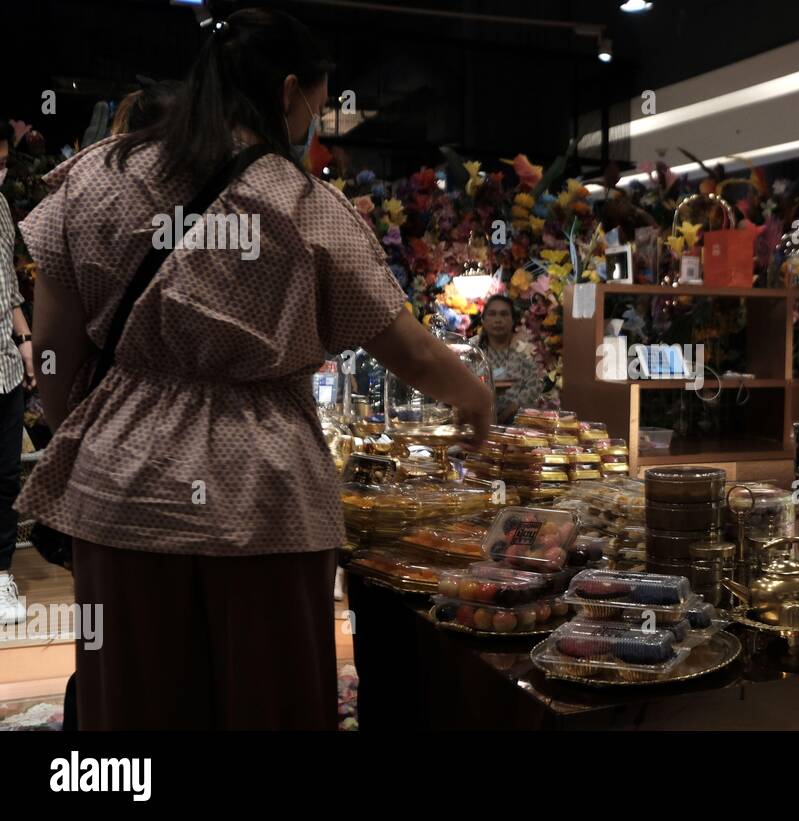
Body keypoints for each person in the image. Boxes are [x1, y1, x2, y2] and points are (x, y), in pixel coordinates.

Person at [18, 7, 492, 730]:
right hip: (269, 496)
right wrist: (473, 398)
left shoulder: (98, 178)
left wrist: (99, 431)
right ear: (289, 92)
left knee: (134, 705)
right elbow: (409, 348)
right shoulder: (304, 203)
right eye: (319, 107)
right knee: (269, 699)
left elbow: (53, 353)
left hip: (122, 489)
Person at [0, 121, 37, 627]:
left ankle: (0, 574)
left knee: (5, 475)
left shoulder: (2, 207)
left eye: (4, 162)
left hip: (3, 364)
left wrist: (27, 342)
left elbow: (7, 286)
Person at [470, 294, 543, 423]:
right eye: (492, 314)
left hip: (517, 426)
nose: (498, 320)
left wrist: (507, 413)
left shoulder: (526, 351)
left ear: (513, 320)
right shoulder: (471, 350)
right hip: (476, 422)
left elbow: (533, 389)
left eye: (504, 314)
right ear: (483, 320)